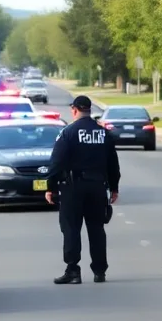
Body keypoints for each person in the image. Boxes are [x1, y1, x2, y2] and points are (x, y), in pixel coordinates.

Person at [45, 95, 121, 284]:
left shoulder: (68, 133)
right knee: (96, 229)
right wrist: (114, 187)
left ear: (75, 110)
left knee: (71, 229)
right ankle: (99, 271)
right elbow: (113, 164)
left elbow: (56, 163)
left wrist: (50, 187)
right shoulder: (103, 134)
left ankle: (73, 271)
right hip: (97, 187)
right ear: (89, 110)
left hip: (73, 187)